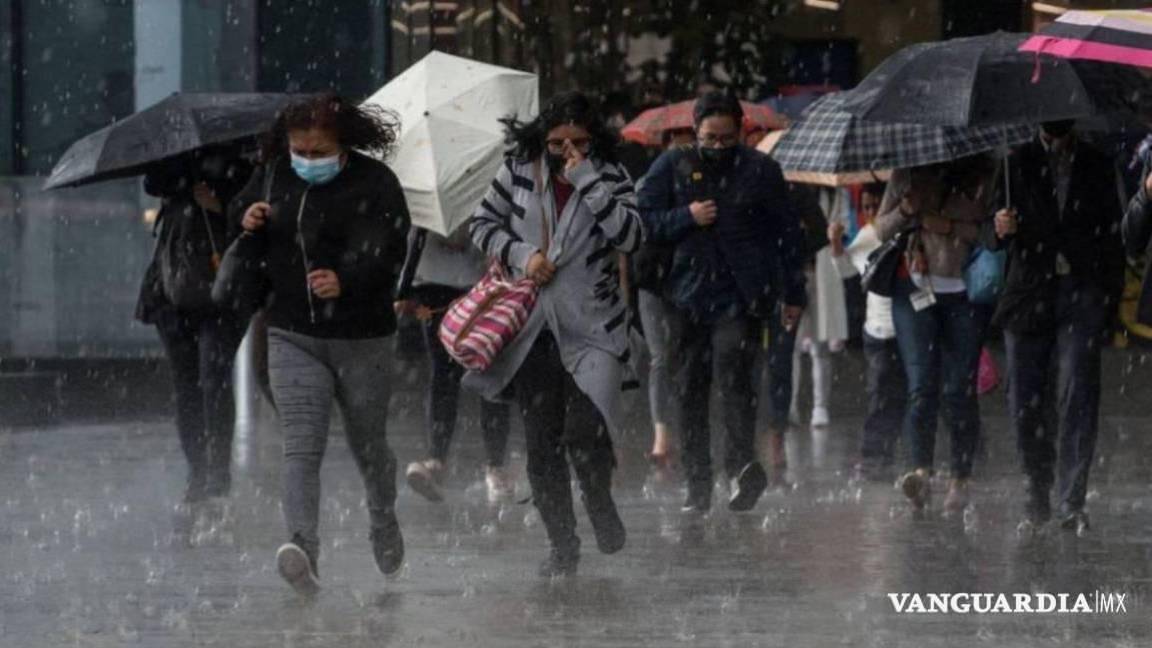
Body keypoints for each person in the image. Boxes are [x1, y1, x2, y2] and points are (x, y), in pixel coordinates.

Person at [227, 95, 411, 593]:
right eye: (299, 150)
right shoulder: (273, 174)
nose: (308, 159)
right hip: (292, 333)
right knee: (301, 447)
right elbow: (236, 215)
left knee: (368, 445)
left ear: (343, 144)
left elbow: (392, 248)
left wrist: (347, 279)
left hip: (362, 337)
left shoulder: (376, 183)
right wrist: (247, 217)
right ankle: (303, 548)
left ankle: (382, 516)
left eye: (319, 149)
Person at [464, 91, 643, 577]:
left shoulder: (610, 174)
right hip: (531, 329)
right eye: (556, 142)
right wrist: (523, 255)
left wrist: (588, 180)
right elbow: (481, 225)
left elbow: (631, 237)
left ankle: (599, 498)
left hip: (595, 328)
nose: (566, 152)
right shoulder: (519, 171)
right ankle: (562, 545)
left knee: (586, 432)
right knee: (542, 446)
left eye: (578, 142)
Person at [638, 92, 806, 513]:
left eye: (727, 138)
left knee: (736, 378)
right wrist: (685, 217)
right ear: (695, 132)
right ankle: (698, 482)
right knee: (689, 388)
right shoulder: (672, 165)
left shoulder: (761, 170)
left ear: (742, 132)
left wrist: (793, 293)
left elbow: (787, 233)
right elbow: (641, 219)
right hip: (684, 294)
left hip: (743, 295)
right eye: (709, 138)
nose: (717, 147)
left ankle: (740, 470)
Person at [997, 121, 1125, 536]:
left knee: (1078, 392)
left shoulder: (1098, 164)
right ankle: (1037, 492)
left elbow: (1113, 234)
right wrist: (1001, 228)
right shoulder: (1014, 162)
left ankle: (1072, 499)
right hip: (1028, 294)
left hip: (1080, 293)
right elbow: (990, 233)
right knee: (1025, 399)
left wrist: (1107, 299)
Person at [874, 156, 993, 513]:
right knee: (921, 386)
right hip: (914, 291)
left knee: (959, 388)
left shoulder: (985, 173)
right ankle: (919, 472)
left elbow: (993, 233)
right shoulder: (906, 171)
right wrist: (907, 211)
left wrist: (947, 226)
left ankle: (960, 475)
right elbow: (881, 229)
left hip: (967, 293)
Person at [135, 145, 252, 504]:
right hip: (172, 289)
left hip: (221, 290)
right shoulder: (172, 162)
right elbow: (153, 183)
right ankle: (198, 472)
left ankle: (218, 471)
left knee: (214, 378)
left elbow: (258, 214)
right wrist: (185, 169)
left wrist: (219, 205)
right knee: (186, 384)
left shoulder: (241, 166)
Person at [395, 225, 514, 504]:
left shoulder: (489, 186)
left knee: (488, 369)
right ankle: (438, 458)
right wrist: (403, 287)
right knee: (443, 371)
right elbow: (414, 229)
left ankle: (495, 465)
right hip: (434, 283)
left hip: (481, 282)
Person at [829, 183, 906, 480]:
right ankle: (876, 455)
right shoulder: (866, 236)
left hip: (908, 324)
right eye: (866, 207)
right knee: (881, 392)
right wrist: (837, 246)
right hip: (879, 328)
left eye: (876, 206)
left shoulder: (903, 231)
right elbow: (850, 271)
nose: (871, 213)